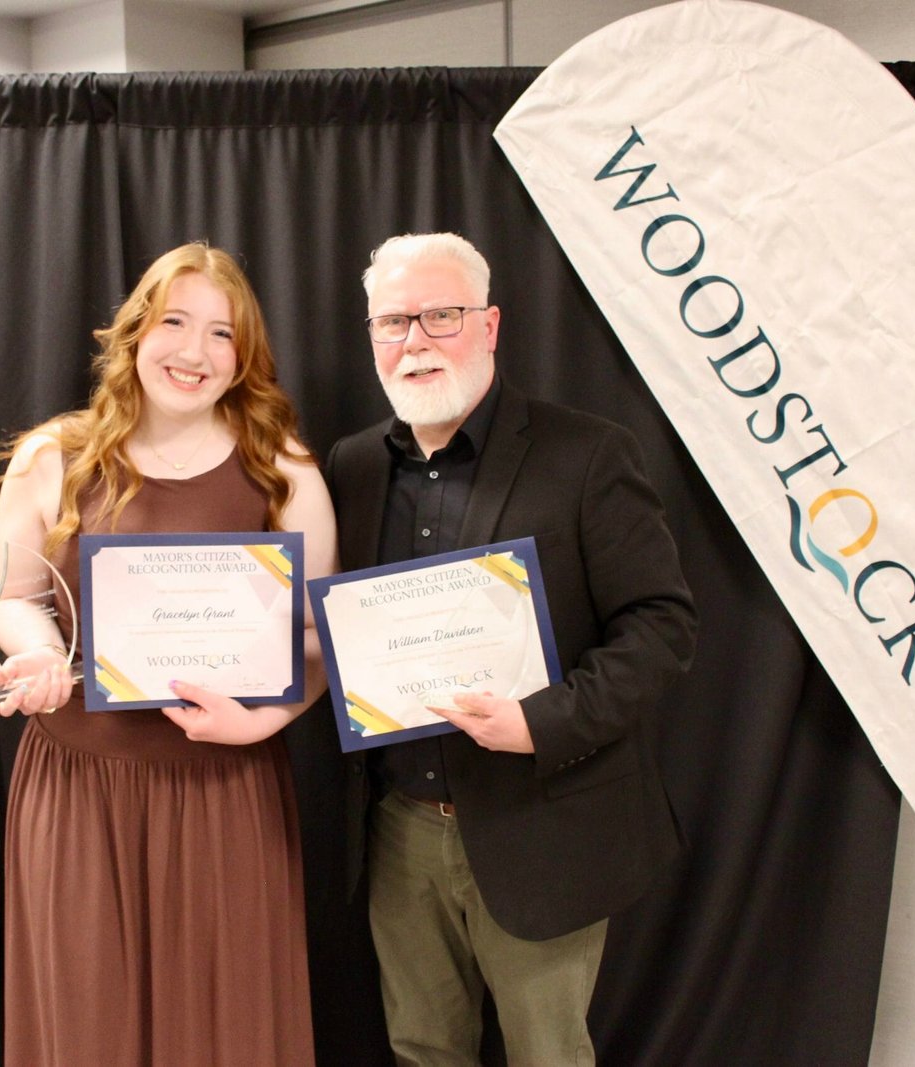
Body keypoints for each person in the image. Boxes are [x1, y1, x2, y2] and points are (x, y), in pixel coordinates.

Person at [324, 233, 697, 1065]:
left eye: (440, 315)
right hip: (399, 833)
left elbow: (663, 625)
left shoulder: (587, 453)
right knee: (421, 1049)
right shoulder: (351, 466)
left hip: (543, 821)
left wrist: (545, 719)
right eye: (392, 321)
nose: (414, 339)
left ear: (489, 325)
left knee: (549, 1056)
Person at [0, 243, 336, 1066]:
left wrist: (263, 724)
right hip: (78, 787)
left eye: (222, 333)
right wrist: (37, 656)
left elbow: (317, 637)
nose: (194, 352)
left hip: (225, 789)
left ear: (243, 356)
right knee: (87, 1027)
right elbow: (16, 600)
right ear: (135, 332)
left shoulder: (283, 468)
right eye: (174, 322)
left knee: (226, 1031)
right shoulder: (49, 458)